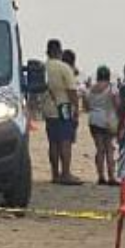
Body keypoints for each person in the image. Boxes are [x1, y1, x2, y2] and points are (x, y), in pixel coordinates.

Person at [42, 39, 82, 185]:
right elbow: (72, 91)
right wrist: (76, 109)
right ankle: (66, 173)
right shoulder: (64, 67)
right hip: (63, 108)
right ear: (59, 51)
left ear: (47, 52)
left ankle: (55, 174)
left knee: (53, 142)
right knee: (65, 141)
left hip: (48, 108)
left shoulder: (43, 67)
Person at [84, 65, 121, 186]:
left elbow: (86, 107)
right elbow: (117, 105)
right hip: (107, 120)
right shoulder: (112, 88)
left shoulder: (90, 89)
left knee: (99, 149)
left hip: (93, 120)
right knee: (109, 149)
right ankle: (111, 177)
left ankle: (100, 176)